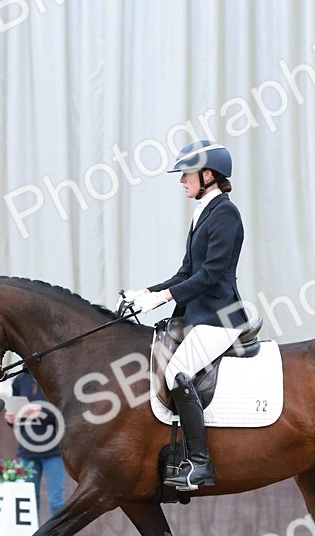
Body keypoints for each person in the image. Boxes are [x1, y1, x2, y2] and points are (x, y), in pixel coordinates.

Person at [122, 140, 248, 491]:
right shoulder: (204, 211)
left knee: (178, 372)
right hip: (198, 314)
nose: (181, 180)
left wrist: (164, 296)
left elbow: (209, 275)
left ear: (208, 175)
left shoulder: (225, 213)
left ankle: (200, 464)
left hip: (219, 315)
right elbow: (186, 271)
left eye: (186, 174)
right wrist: (146, 295)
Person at [4, 372, 66, 518]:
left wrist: (42, 411)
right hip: (27, 451)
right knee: (29, 502)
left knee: (56, 503)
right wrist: (11, 419)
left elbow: (65, 413)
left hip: (54, 451)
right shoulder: (19, 380)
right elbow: (16, 416)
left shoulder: (54, 376)